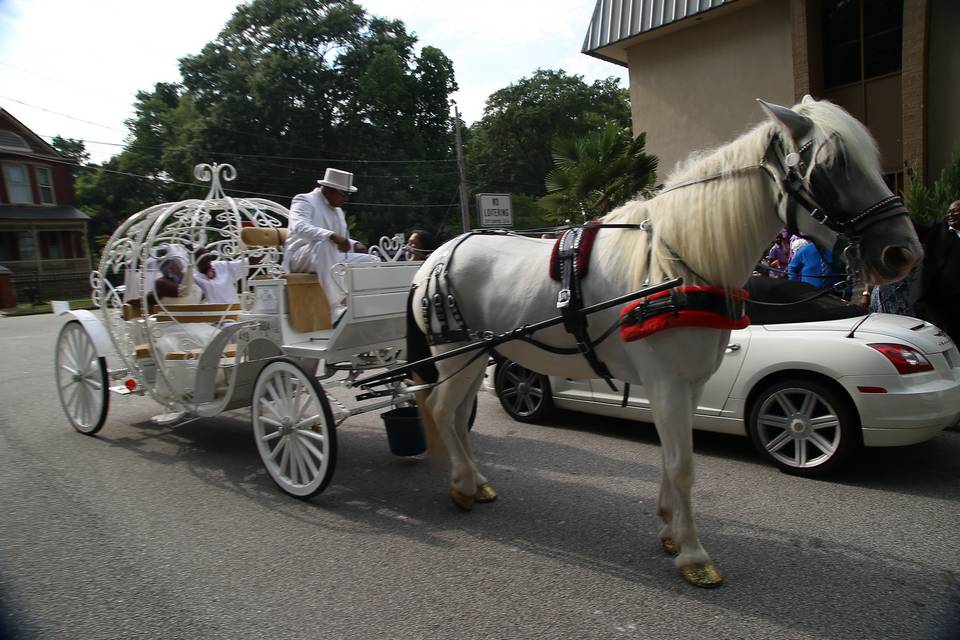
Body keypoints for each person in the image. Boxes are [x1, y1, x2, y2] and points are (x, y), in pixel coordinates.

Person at [281, 168, 378, 318]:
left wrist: (354, 245)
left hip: (328, 256)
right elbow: (299, 227)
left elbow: (341, 239)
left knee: (371, 260)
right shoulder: (304, 200)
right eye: (344, 194)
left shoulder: (337, 209)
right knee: (324, 244)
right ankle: (335, 308)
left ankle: (364, 304)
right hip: (300, 258)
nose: (346, 199)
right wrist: (331, 236)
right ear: (330, 189)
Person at [916, 199, 960, 344]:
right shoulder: (937, 230)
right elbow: (916, 227)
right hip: (942, 299)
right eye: (948, 211)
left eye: (955, 211)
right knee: (946, 339)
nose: (950, 214)